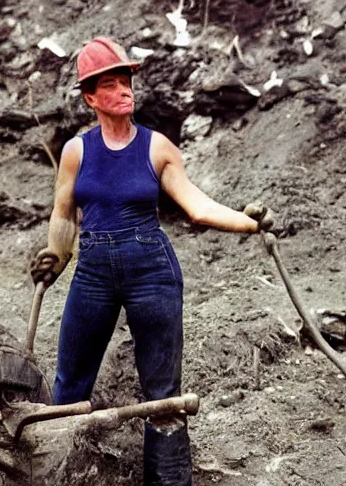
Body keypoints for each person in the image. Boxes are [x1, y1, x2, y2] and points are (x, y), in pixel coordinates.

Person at [29, 36, 274, 486]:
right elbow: (64, 215)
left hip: (151, 271)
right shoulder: (76, 151)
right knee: (69, 382)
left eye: (126, 81)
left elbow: (197, 206)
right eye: (112, 84)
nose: (125, 90)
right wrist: (56, 255)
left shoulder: (157, 146)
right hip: (94, 271)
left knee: (162, 394)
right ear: (90, 97)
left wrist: (248, 223)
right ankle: (54, 474)